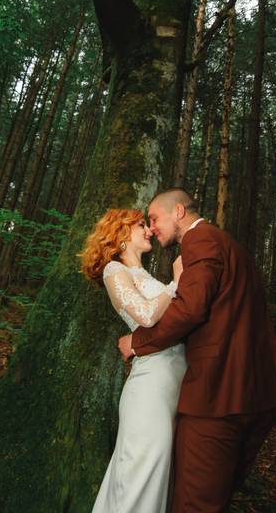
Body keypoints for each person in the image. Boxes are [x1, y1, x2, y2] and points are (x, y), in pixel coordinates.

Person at [117, 188, 276, 512]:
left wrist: (138, 343)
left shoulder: (199, 240)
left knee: (194, 502)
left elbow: (190, 310)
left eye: (155, 218)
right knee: (216, 495)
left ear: (179, 213)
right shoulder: (231, 247)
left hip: (216, 396)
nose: (151, 227)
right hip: (254, 394)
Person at [80, 208, 187, 513]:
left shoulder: (145, 275)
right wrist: (177, 282)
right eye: (141, 225)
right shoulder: (114, 272)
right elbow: (146, 315)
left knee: (154, 475)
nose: (149, 230)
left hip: (171, 384)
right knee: (141, 473)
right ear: (121, 234)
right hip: (150, 388)